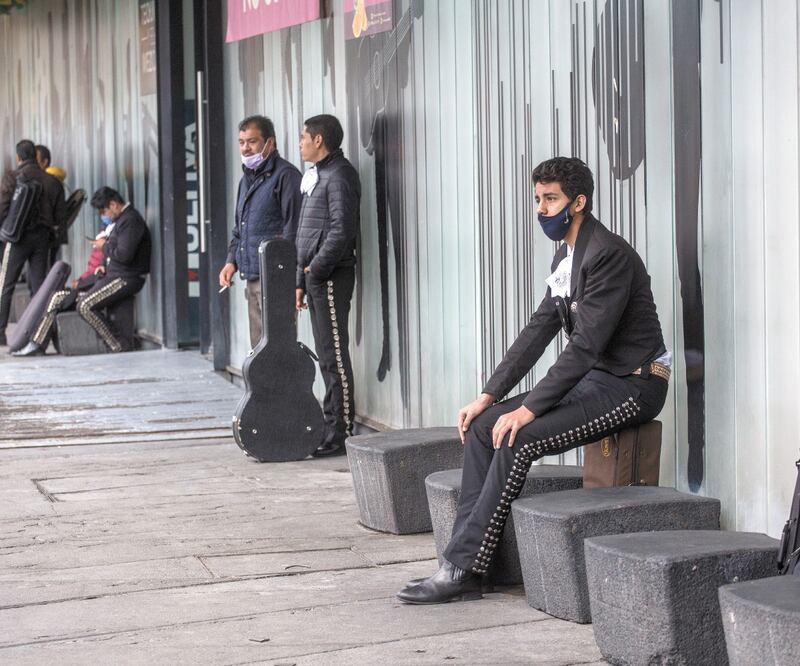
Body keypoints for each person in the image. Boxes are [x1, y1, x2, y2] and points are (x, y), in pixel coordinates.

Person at [397, 157, 671, 604]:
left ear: (578, 202)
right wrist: (489, 396)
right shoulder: (567, 254)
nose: (541, 209)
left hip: (633, 384)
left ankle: (462, 568)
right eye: (538, 199)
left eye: (551, 199)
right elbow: (539, 329)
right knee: (486, 429)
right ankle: (464, 565)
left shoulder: (607, 254)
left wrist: (527, 409)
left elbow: (583, 346)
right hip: (598, 377)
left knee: (518, 435)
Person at [295, 114, 361, 457]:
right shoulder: (318, 176)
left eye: (304, 137)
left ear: (319, 140)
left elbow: (340, 232)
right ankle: (330, 423)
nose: (301, 142)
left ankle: (340, 431)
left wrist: (316, 271)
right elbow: (306, 233)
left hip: (331, 276)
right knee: (326, 357)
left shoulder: (339, 175)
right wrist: (300, 279)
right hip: (315, 277)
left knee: (334, 356)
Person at [218, 115, 302, 348]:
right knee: (259, 348)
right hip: (253, 276)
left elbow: (294, 230)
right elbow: (240, 228)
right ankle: (262, 387)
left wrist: (295, 280)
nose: (246, 148)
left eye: (252, 141)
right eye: (242, 142)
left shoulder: (286, 176)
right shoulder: (246, 180)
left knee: (279, 347)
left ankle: (284, 387)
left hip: (277, 277)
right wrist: (230, 262)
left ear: (270, 143)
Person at [12, 217, 112, 357]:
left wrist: (81, 283)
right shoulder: (103, 245)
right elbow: (94, 271)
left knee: (57, 297)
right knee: (55, 297)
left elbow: (102, 273)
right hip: (88, 285)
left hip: (95, 288)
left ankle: (38, 343)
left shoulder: (109, 245)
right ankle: (38, 342)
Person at [0, 139, 66, 346]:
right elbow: (60, 218)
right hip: (42, 241)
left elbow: (2, 208)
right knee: (40, 288)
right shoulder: (52, 182)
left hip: (16, 239)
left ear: (19, 157)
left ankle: (0, 333)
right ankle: (40, 335)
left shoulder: (11, 177)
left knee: (5, 284)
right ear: (37, 158)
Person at [73, 187, 151, 352]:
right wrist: (104, 264)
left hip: (125, 278)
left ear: (114, 205)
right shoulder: (121, 221)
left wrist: (104, 246)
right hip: (115, 274)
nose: (104, 216)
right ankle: (119, 342)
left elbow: (124, 255)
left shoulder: (130, 221)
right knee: (82, 300)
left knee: (84, 306)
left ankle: (117, 344)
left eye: (104, 211)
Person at [36, 144, 69, 266]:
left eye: (36, 161)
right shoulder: (51, 181)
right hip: (49, 234)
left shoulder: (49, 182)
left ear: (45, 162)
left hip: (49, 234)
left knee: (46, 267)